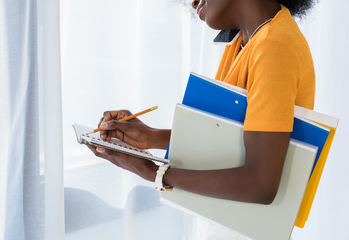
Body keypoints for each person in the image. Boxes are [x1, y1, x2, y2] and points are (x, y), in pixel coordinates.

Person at [87, 0, 316, 205]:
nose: (192, 2)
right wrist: (151, 137)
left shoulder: (273, 47)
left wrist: (153, 172)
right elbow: (232, 140)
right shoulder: (247, 41)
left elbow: (260, 185)